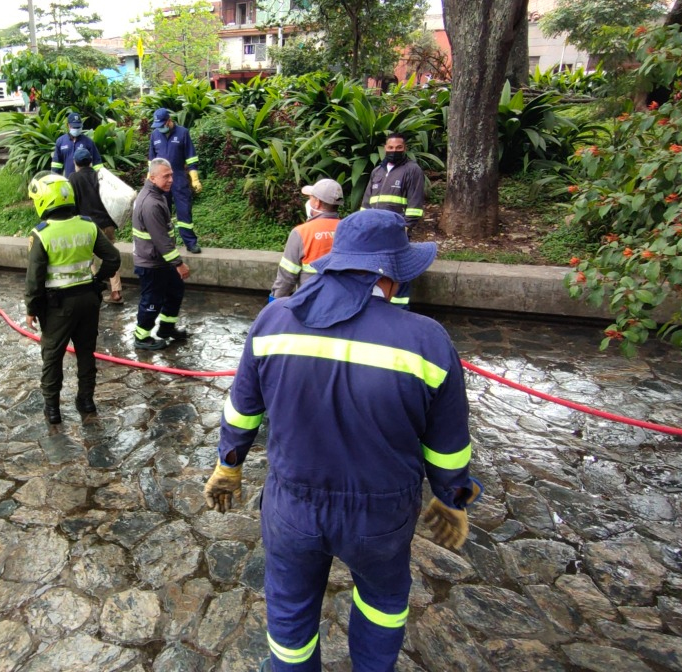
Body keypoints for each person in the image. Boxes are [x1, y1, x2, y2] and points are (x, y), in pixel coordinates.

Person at [204, 209, 481, 672]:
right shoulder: (427, 341)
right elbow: (448, 443)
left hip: (292, 507)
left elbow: (241, 411)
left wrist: (228, 465)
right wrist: (452, 497)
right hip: (381, 515)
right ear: (390, 274)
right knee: (382, 603)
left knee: (290, 613)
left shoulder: (273, 322)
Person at [24, 173, 122, 424]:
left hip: (58, 306)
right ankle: (86, 400)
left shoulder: (42, 234)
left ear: (44, 200)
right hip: (88, 299)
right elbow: (113, 258)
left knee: (52, 356)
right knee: (86, 353)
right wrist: (98, 280)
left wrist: (31, 308)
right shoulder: (88, 225)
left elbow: (34, 279)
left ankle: (53, 410)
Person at [131, 158, 191, 350]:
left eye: (171, 175)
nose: (171, 179)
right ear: (153, 177)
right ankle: (142, 337)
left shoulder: (157, 195)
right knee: (152, 301)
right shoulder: (151, 203)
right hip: (151, 263)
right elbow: (161, 240)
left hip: (161, 260)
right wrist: (179, 264)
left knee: (175, 291)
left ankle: (166, 329)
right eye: (166, 176)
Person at [363, 133, 426, 307]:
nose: (394, 151)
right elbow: (366, 203)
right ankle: (378, 310)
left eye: (399, 147)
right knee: (377, 273)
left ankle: (400, 311)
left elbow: (415, 205)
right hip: (375, 233)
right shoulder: (377, 171)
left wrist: (405, 228)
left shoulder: (412, 170)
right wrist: (364, 227)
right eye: (390, 147)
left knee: (398, 273)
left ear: (405, 148)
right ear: (385, 148)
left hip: (396, 233)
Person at [67, 146, 123, 304]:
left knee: (88, 257)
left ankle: (94, 288)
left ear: (75, 163)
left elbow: (72, 204)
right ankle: (116, 291)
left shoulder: (73, 178)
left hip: (88, 226)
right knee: (111, 256)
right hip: (107, 222)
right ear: (91, 162)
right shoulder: (100, 176)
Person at [271, 178, 343, 299]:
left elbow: (286, 279)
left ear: (317, 202)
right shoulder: (349, 230)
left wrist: (273, 304)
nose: (308, 201)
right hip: (342, 302)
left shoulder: (301, 233)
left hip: (310, 303)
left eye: (310, 197)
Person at [148, 107, 203, 254]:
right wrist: (150, 180)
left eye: (161, 125)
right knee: (162, 213)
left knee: (184, 211)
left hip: (178, 178)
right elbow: (151, 161)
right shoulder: (155, 135)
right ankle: (166, 244)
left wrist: (194, 179)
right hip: (160, 181)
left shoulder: (183, 133)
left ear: (169, 121)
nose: (159, 128)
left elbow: (191, 158)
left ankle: (190, 243)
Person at [52, 112, 104, 177]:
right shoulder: (61, 141)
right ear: (68, 125)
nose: (76, 129)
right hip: (68, 180)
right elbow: (56, 164)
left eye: (78, 127)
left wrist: (98, 178)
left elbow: (97, 164)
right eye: (74, 127)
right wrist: (55, 178)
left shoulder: (88, 142)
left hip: (85, 180)